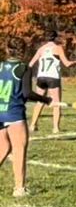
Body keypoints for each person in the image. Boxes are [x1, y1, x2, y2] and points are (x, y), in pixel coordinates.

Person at [0, 47, 53, 197]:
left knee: (3, 148)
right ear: (22, 51)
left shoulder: (1, 66)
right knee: (19, 150)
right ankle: (19, 189)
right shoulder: (24, 68)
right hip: (14, 113)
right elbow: (27, 93)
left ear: (7, 50)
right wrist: (45, 99)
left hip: (0, 111)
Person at [28, 31, 76, 135]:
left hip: (41, 77)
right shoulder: (58, 48)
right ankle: (55, 128)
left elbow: (30, 64)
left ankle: (33, 125)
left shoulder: (41, 49)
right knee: (56, 103)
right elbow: (67, 64)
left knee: (40, 101)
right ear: (56, 38)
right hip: (53, 78)